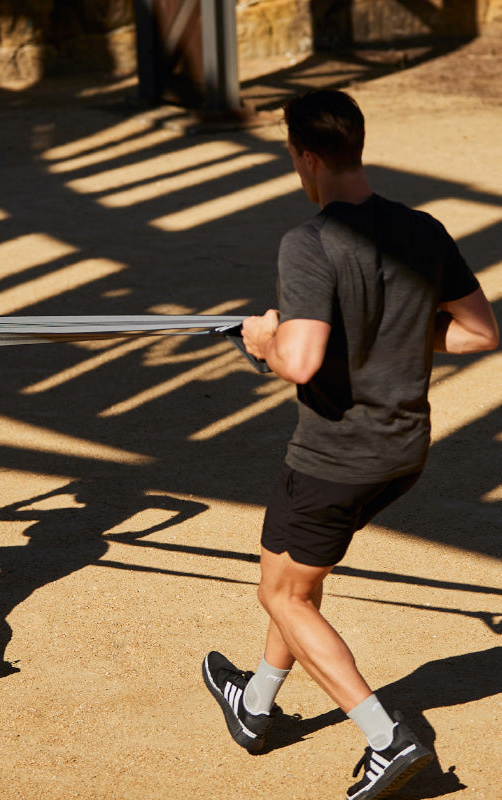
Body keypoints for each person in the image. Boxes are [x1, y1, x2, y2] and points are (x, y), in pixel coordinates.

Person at [202, 90, 498, 800]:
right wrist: (393, 339)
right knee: (291, 577)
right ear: (356, 146)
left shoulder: (308, 242)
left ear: (305, 158)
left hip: (335, 455)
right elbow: (482, 331)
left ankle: (387, 738)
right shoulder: (422, 228)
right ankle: (256, 705)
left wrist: (261, 339)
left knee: (282, 593)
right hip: (405, 448)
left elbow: (300, 362)